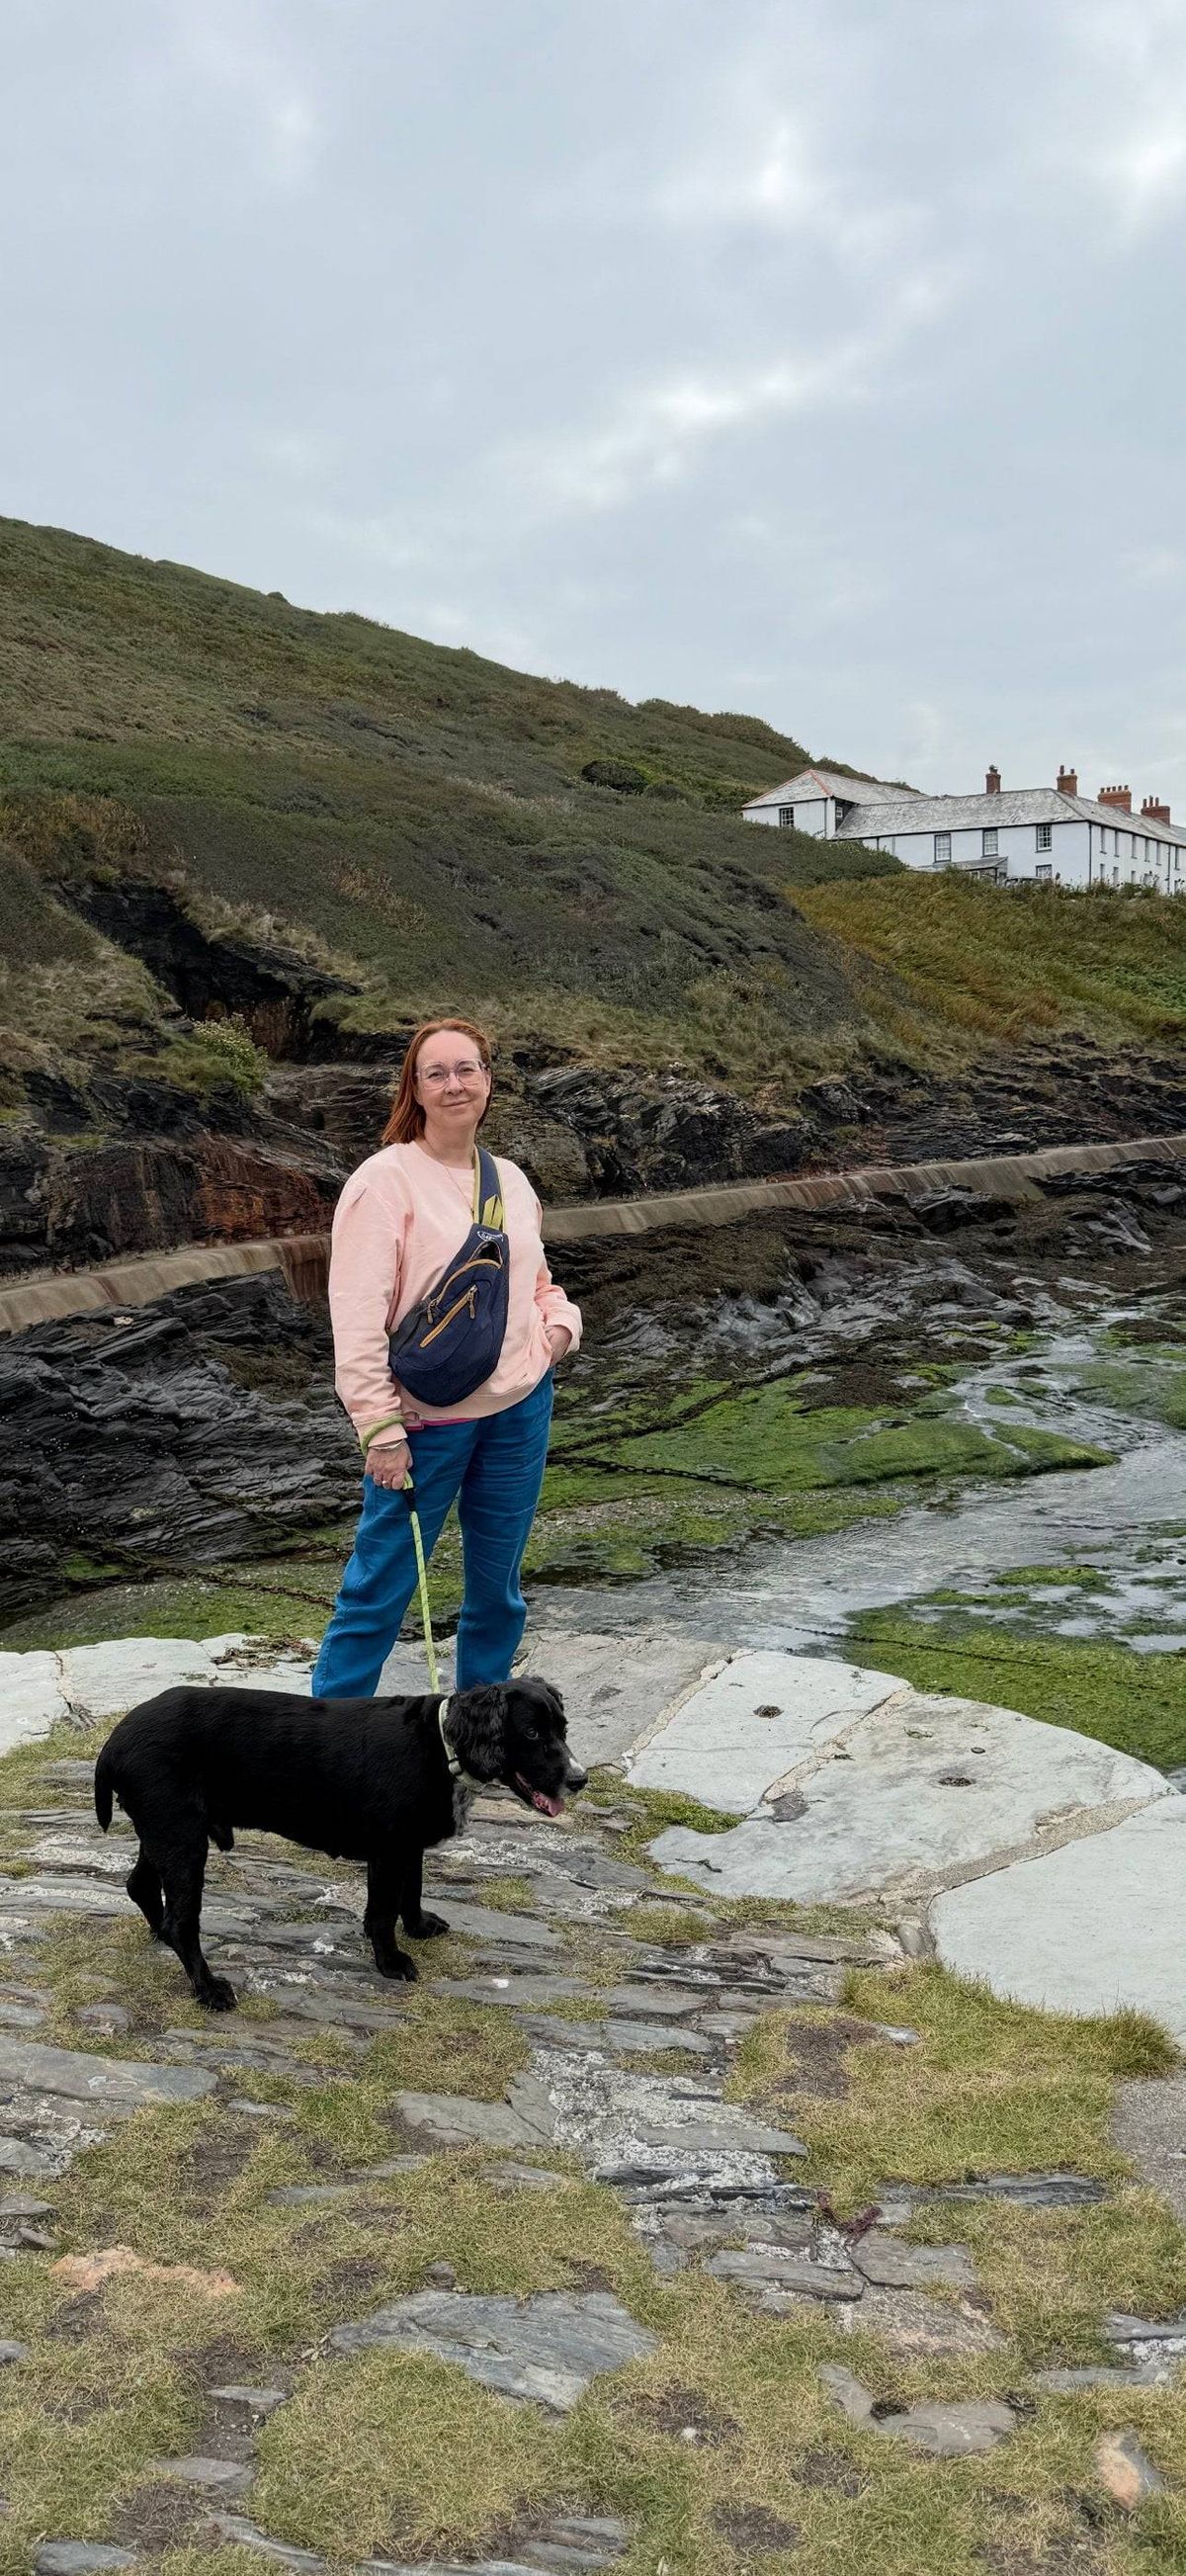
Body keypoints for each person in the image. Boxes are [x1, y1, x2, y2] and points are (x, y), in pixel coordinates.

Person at [310, 1016, 581, 1700]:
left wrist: (557, 1335)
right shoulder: (383, 1182)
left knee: (498, 1591)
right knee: (379, 1590)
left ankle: (487, 1729)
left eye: (468, 1070)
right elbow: (356, 1315)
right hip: (424, 1427)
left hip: (520, 1411)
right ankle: (324, 1749)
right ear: (416, 1089)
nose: (455, 1084)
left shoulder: (512, 1182)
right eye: (437, 1072)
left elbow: (539, 1283)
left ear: (489, 1082)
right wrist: (378, 1428)